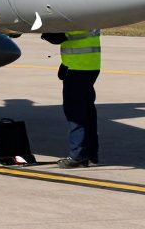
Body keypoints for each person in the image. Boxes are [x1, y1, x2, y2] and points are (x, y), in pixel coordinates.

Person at [40, 29, 101, 168]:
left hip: (77, 69)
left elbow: (58, 37)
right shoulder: (92, 16)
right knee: (88, 113)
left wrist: (42, 29)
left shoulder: (76, 18)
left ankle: (77, 156)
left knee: (75, 114)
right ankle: (91, 154)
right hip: (91, 66)